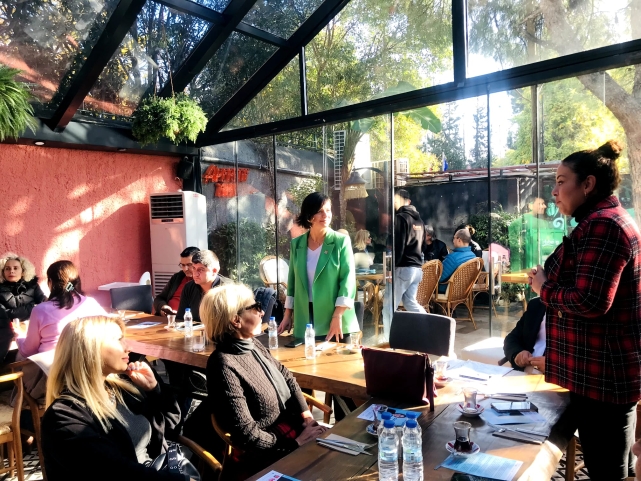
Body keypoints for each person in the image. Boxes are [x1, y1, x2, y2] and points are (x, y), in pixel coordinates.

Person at [528, 140, 641, 481]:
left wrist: (543, 288)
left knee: (608, 472)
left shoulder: (604, 225)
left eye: (562, 181)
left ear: (588, 184)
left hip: (604, 378)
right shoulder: (601, 221)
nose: (554, 191)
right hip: (599, 375)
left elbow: (591, 300)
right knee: (611, 466)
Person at [41, 316, 190, 481]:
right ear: (91, 349)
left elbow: (171, 426)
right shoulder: (64, 417)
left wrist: (154, 389)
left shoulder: (122, 388)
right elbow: (115, 471)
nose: (128, 347)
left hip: (160, 469)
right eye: (119, 340)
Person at [203, 284, 327, 477]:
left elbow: (287, 377)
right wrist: (295, 444)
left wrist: (306, 416)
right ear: (236, 320)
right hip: (268, 454)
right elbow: (247, 435)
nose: (262, 312)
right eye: (256, 307)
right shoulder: (223, 365)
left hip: (292, 431)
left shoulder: (252, 344)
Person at [15, 260, 106, 402]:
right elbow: (108, 328)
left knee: (20, 357)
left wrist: (19, 338)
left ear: (50, 282)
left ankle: (25, 403)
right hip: (88, 369)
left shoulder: (41, 310)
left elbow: (29, 350)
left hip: (53, 375)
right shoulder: (91, 303)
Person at [278, 192, 358, 342]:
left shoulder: (341, 242)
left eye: (328, 210)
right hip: (304, 320)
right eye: (320, 211)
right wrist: (288, 315)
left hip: (335, 320)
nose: (325, 215)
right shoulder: (297, 244)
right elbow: (292, 283)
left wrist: (337, 316)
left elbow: (348, 282)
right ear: (309, 216)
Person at [381, 189, 427, 338]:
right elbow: (423, 246)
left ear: (404, 201)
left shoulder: (400, 218)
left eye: (396, 200)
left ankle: (389, 340)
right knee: (410, 303)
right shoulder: (420, 221)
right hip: (416, 269)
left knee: (388, 307)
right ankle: (430, 327)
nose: (394, 203)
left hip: (403, 268)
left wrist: (391, 268)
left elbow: (398, 246)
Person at [0, 252, 47, 362]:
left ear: (23, 271)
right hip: (7, 333)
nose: (11, 271)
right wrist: (32, 307)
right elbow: (3, 314)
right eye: (7, 268)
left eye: (15, 268)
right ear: (3, 272)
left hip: (31, 329)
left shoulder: (33, 286)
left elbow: (45, 305)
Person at [176, 250, 229, 323]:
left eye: (200, 270)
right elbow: (180, 318)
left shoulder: (228, 288)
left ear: (214, 271)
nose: (195, 274)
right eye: (194, 268)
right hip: (193, 330)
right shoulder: (188, 287)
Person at [502, 297, 546, 371]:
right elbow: (511, 338)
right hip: (523, 373)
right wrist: (517, 354)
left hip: (554, 376)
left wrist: (554, 366)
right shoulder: (535, 305)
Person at [154, 247, 200, 316]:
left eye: (189, 265)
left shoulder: (201, 281)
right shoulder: (177, 277)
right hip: (166, 317)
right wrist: (163, 307)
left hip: (185, 319)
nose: (185, 269)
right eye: (183, 265)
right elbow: (159, 298)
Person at [438, 228, 477, 294]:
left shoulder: (452, 258)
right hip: (465, 292)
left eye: (454, 238)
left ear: (459, 240)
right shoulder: (474, 256)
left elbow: (439, 277)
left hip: (448, 292)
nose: (453, 241)